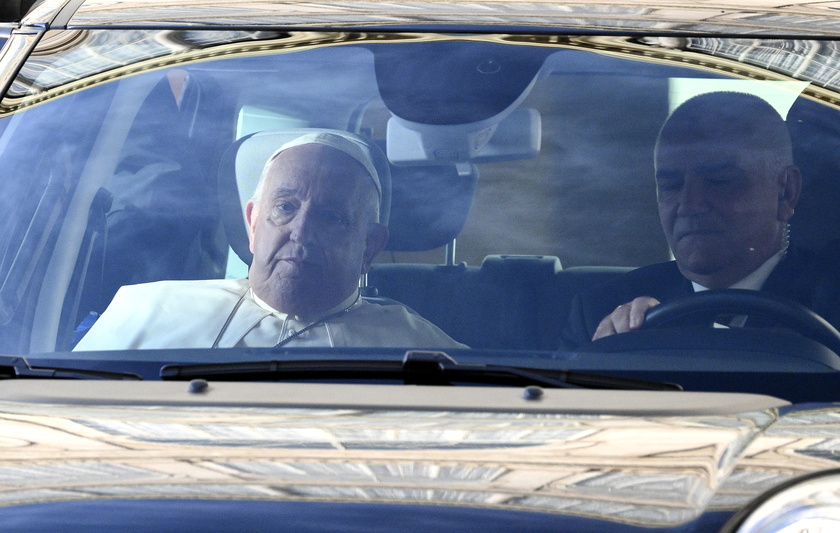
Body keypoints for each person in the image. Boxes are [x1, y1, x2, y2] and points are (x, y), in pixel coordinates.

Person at [75, 131, 467, 350]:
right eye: (285, 207)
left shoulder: (429, 354)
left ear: (369, 246)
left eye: (330, 216)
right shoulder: (145, 311)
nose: (301, 232)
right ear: (252, 222)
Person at [564, 91, 840, 346]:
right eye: (671, 186)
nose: (690, 205)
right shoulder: (600, 312)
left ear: (786, 192)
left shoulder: (832, 301)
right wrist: (613, 357)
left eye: (720, 181)